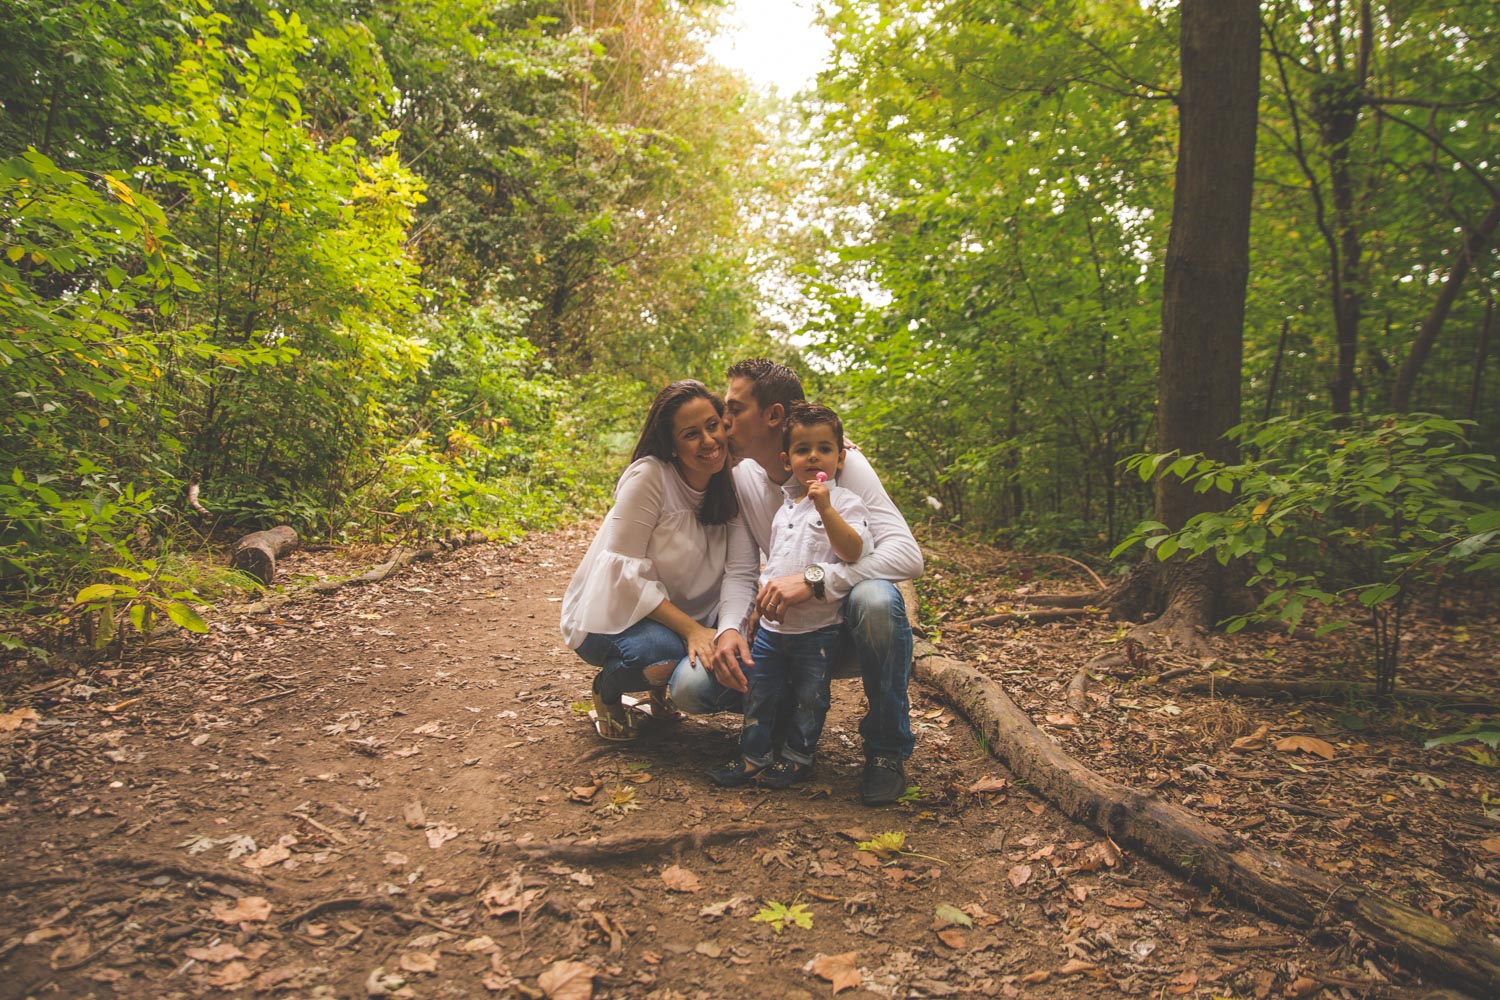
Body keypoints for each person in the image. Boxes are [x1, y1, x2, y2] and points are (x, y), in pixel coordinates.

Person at [670, 360, 924, 805]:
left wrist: (818, 579)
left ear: (772, 416)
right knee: (690, 690)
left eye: (734, 408)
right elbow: (742, 568)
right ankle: (780, 721)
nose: (723, 420)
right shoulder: (739, 473)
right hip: (783, 630)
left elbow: (908, 556)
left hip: (843, 627)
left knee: (878, 598)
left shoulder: (842, 465)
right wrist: (731, 626)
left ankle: (886, 750)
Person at [560, 380, 756, 741]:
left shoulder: (731, 475)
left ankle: (659, 691)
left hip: (682, 615)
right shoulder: (651, 476)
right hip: (610, 616)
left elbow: (785, 448)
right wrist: (693, 631)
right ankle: (607, 693)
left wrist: (844, 450)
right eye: (691, 434)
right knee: (659, 655)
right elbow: (623, 577)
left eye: (713, 426)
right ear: (671, 445)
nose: (708, 441)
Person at [708, 403, 870, 790]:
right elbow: (775, 566)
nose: (813, 457)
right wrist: (753, 611)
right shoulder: (784, 510)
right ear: (787, 458)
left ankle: (798, 758)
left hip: (817, 631)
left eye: (824, 449)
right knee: (760, 693)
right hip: (772, 630)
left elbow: (852, 552)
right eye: (802, 450)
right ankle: (753, 756)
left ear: (840, 457)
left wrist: (826, 508)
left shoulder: (846, 503)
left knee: (809, 698)